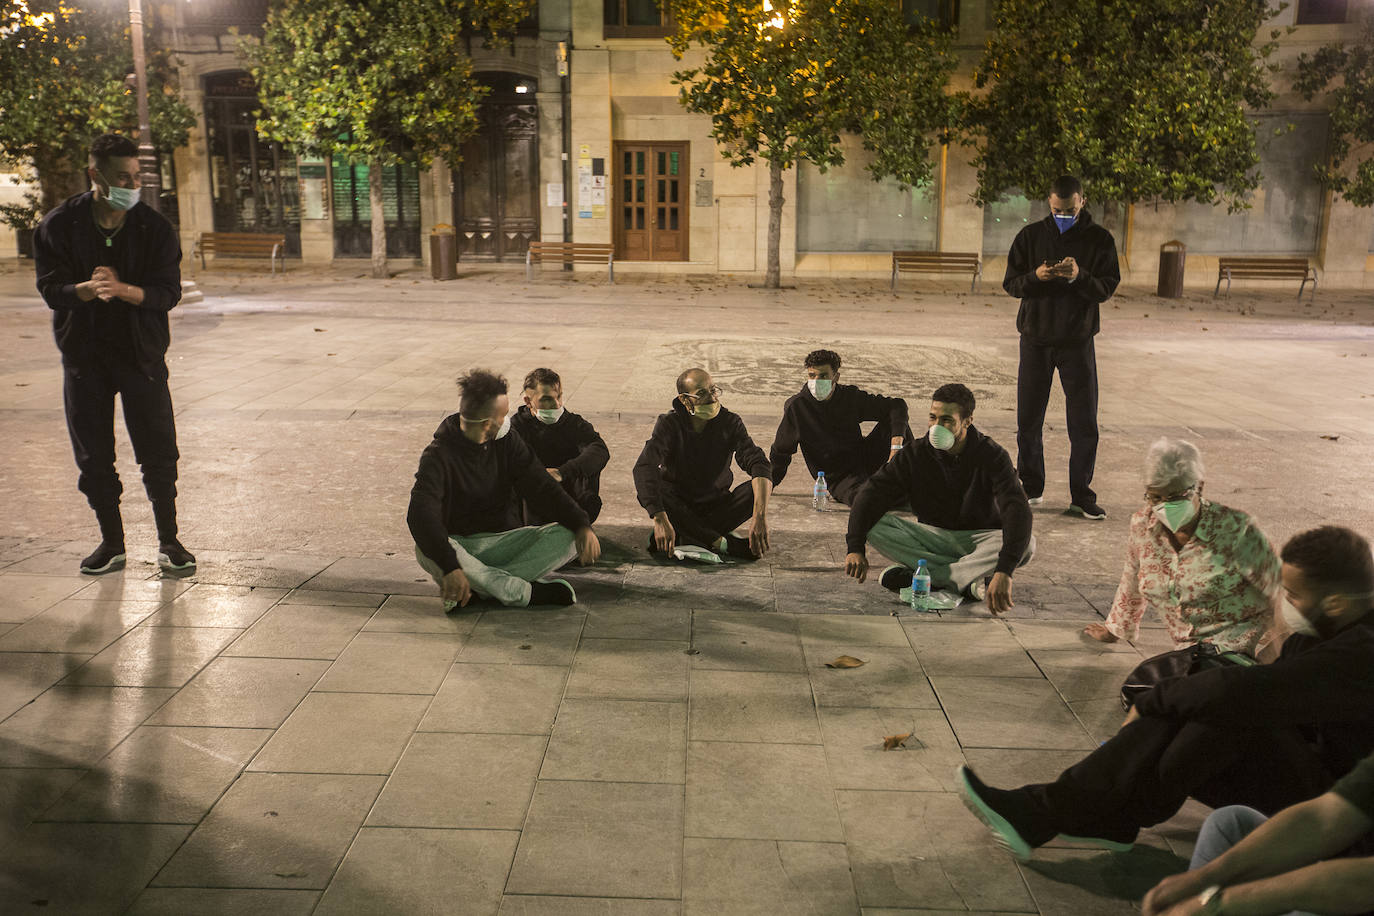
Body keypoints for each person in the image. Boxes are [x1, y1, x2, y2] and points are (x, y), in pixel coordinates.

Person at [957, 526, 1374, 862]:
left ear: (1336, 603)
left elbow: (1258, 691)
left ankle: (1074, 813)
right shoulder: (1325, 628)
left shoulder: (1362, 652)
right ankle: (1094, 815)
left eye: (1295, 596)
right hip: (1314, 769)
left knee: (1224, 710)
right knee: (1210, 710)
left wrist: (1153, 700)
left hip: (1347, 810)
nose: (1286, 604)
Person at [32, 133, 194, 575]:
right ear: (95, 175)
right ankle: (112, 542)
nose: (131, 184)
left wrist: (123, 290)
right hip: (85, 359)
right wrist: (86, 289)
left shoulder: (154, 228)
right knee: (94, 455)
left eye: (136, 176)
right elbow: (51, 289)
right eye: (122, 176)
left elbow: (167, 293)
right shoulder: (58, 226)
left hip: (140, 356)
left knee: (158, 449)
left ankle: (170, 540)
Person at [407, 368, 601, 609]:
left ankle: (478, 588)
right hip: (460, 547)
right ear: (488, 424)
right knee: (425, 549)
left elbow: (541, 486)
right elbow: (420, 514)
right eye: (503, 416)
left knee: (573, 535)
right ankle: (521, 592)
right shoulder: (439, 455)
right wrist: (450, 566)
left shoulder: (507, 441)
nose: (507, 421)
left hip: (501, 541)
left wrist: (581, 524)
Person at [843, 383, 1034, 614]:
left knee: (1027, 544)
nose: (936, 426)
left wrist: (1004, 571)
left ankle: (930, 577)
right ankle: (965, 579)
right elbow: (871, 493)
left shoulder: (992, 455)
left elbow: (1017, 508)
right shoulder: (915, 453)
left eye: (946, 420)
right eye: (933, 418)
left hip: (979, 538)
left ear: (967, 421)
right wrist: (855, 548)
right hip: (933, 537)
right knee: (873, 524)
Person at [1083, 438, 1281, 655]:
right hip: (1192, 652)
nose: (1165, 506)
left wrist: (1275, 652)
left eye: (1176, 496)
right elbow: (1132, 576)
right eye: (1155, 496)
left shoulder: (1236, 529)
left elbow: (1282, 589)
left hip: (1246, 647)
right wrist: (1115, 629)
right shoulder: (1142, 525)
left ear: (1199, 487)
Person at [1004, 175, 1121, 521]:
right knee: (1028, 418)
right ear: (1049, 204)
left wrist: (1078, 276)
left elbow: (1106, 287)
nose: (1062, 215)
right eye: (1056, 210)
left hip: (1077, 341)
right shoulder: (1031, 236)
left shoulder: (1100, 240)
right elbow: (1011, 283)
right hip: (1035, 339)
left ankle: (1081, 495)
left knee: (1084, 420)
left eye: (1068, 210)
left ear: (1082, 202)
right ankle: (1031, 486)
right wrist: (1035, 278)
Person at [1141, 754, 1374, 915]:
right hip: (1347, 864)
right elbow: (1325, 816)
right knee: (1231, 822)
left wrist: (1219, 904)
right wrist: (1204, 879)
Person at [633, 367, 772, 562]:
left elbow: (757, 462)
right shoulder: (669, 424)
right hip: (679, 505)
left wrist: (760, 516)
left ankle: (687, 534)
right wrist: (659, 518)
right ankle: (721, 543)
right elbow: (645, 467)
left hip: (716, 505)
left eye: (713, 390)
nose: (712, 397)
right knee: (654, 488)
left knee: (758, 486)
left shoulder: (730, 422)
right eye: (702, 393)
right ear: (684, 400)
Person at [768, 348, 911, 505]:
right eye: (812, 376)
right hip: (839, 477)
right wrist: (768, 484)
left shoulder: (849, 397)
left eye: (823, 376)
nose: (816, 381)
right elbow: (781, 452)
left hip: (864, 458)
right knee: (867, 500)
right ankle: (897, 490)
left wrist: (896, 448)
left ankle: (910, 480)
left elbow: (896, 406)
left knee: (896, 424)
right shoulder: (797, 407)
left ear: (835, 377)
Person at [510, 367, 609, 525]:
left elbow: (599, 450)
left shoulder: (573, 423)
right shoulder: (516, 427)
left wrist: (562, 472)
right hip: (531, 503)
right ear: (528, 402)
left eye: (559, 397)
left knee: (589, 472)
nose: (557, 404)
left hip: (569, 496)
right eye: (547, 399)